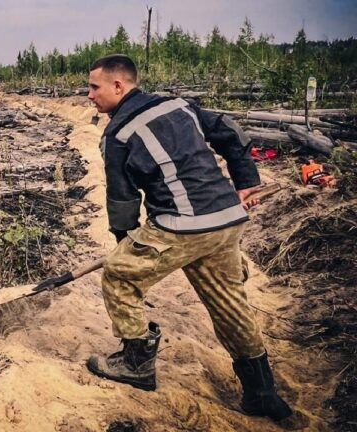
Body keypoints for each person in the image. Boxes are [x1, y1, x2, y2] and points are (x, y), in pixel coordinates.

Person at [84, 54, 292, 421]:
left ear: (119, 86)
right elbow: (232, 132)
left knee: (118, 275)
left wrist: (125, 246)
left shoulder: (118, 134)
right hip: (228, 219)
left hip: (182, 226)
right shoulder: (180, 105)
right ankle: (262, 393)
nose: (89, 96)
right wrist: (246, 182)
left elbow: (122, 201)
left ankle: (136, 364)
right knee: (230, 304)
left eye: (94, 87)